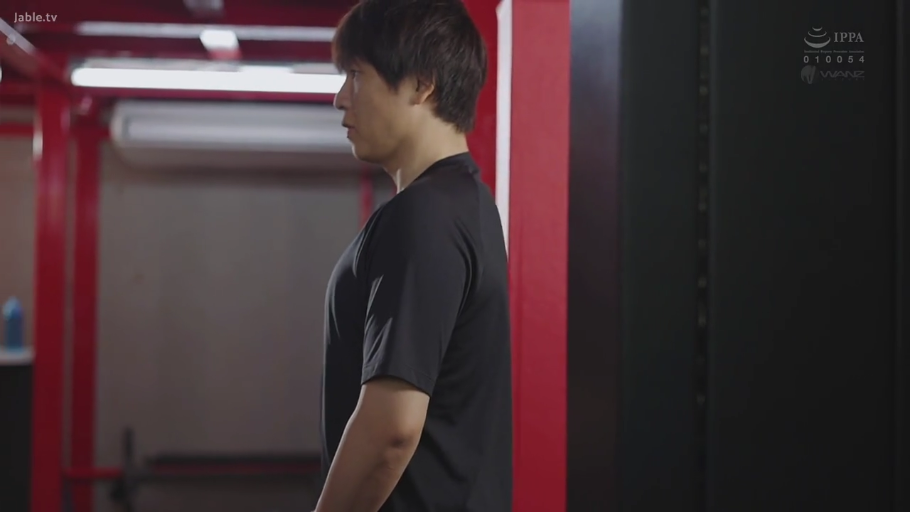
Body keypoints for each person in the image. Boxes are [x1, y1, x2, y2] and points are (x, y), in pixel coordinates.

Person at [315, 0, 512, 511]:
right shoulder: (466, 206)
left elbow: (392, 430)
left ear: (422, 84)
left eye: (357, 76)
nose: (340, 98)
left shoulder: (426, 217)